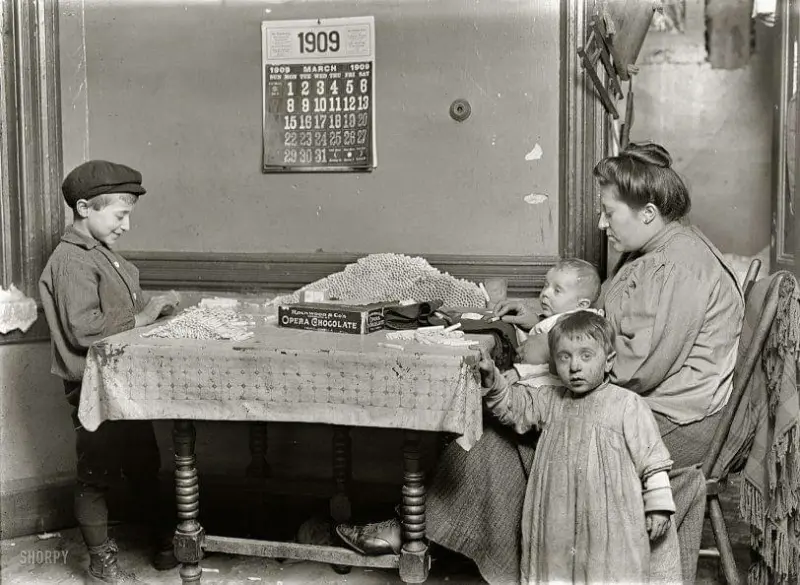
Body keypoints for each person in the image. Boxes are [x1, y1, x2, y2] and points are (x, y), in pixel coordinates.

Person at [337, 142, 744, 585]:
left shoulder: (677, 267)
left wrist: (548, 346)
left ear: (648, 212)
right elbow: (607, 326)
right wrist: (550, 321)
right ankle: (434, 533)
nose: (602, 222)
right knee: (504, 400)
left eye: (610, 211)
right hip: (647, 402)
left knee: (496, 424)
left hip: (673, 423)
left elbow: (631, 369)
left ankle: (420, 534)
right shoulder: (653, 251)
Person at [39, 160, 181, 584]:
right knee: (96, 474)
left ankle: (160, 544)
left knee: (143, 463)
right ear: (84, 207)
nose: (126, 226)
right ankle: (102, 565)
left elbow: (114, 311)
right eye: (121, 215)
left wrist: (149, 311)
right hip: (92, 390)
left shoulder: (101, 254)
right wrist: (147, 315)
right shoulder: (71, 261)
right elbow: (85, 330)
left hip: (123, 385)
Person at [480, 311, 677, 584]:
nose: (574, 366)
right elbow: (513, 407)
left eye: (586, 356)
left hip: (609, 516)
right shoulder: (550, 400)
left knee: (606, 569)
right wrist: (493, 383)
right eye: (564, 357)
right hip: (556, 511)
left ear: (608, 361)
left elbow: (652, 460)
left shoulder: (627, 405)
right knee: (556, 568)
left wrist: (658, 507)